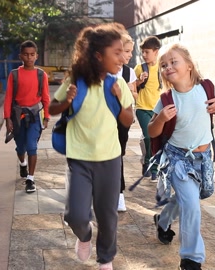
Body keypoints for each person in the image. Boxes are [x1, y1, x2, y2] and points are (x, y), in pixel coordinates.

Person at [49, 23, 134, 270]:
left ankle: (106, 259)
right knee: (75, 215)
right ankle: (84, 235)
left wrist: (119, 99)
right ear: (99, 56)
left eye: (123, 52)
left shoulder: (116, 84)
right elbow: (54, 109)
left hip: (109, 159)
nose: (122, 58)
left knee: (108, 218)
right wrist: (67, 101)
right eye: (116, 52)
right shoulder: (75, 80)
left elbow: (127, 121)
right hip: (79, 159)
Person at [148, 43, 215, 270]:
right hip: (177, 159)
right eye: (164, 65)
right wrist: (161, 119)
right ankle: (191, 259)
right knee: (191, 205)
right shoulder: (166, 99)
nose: (168, 66)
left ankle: (163, 221)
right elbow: (152, 131)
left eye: (174, 61)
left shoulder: (206, 88)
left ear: (189, 66)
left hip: (202, 159)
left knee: (189, 198)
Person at [3, 40, 50, 193]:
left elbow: (46, 98)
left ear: (36, 56)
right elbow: (8, 97)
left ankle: (30, 179)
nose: (29, 57)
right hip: (18, 116)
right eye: (26, 54)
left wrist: (46, 116)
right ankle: (22, 164)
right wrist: (7, 119)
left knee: (32, 146)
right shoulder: (14, 75)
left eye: (32, 54)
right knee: (20, 147)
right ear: (20, 56)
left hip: (34, 116)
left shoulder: (41, 75)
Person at [134, 36, 162, 181]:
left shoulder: (162, 67)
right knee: (149, 135)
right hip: (142, 108)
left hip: (157, 109)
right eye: (142, 52)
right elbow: (131, 87)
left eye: (147, 52)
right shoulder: (139, 68)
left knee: (157, 138)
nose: (144, 55)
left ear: (156, 51)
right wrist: (139, 81)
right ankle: (150, 166)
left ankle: (152, 165)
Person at [116, 31, 137, 212]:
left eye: (131, 51)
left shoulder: (129, 72)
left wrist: (131, 91)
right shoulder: (105, 69)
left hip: (123, 120)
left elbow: (134, 95)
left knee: (118, 154)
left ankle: (119, 193)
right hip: (105, 119)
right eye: (128, 51)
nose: (130, 55)